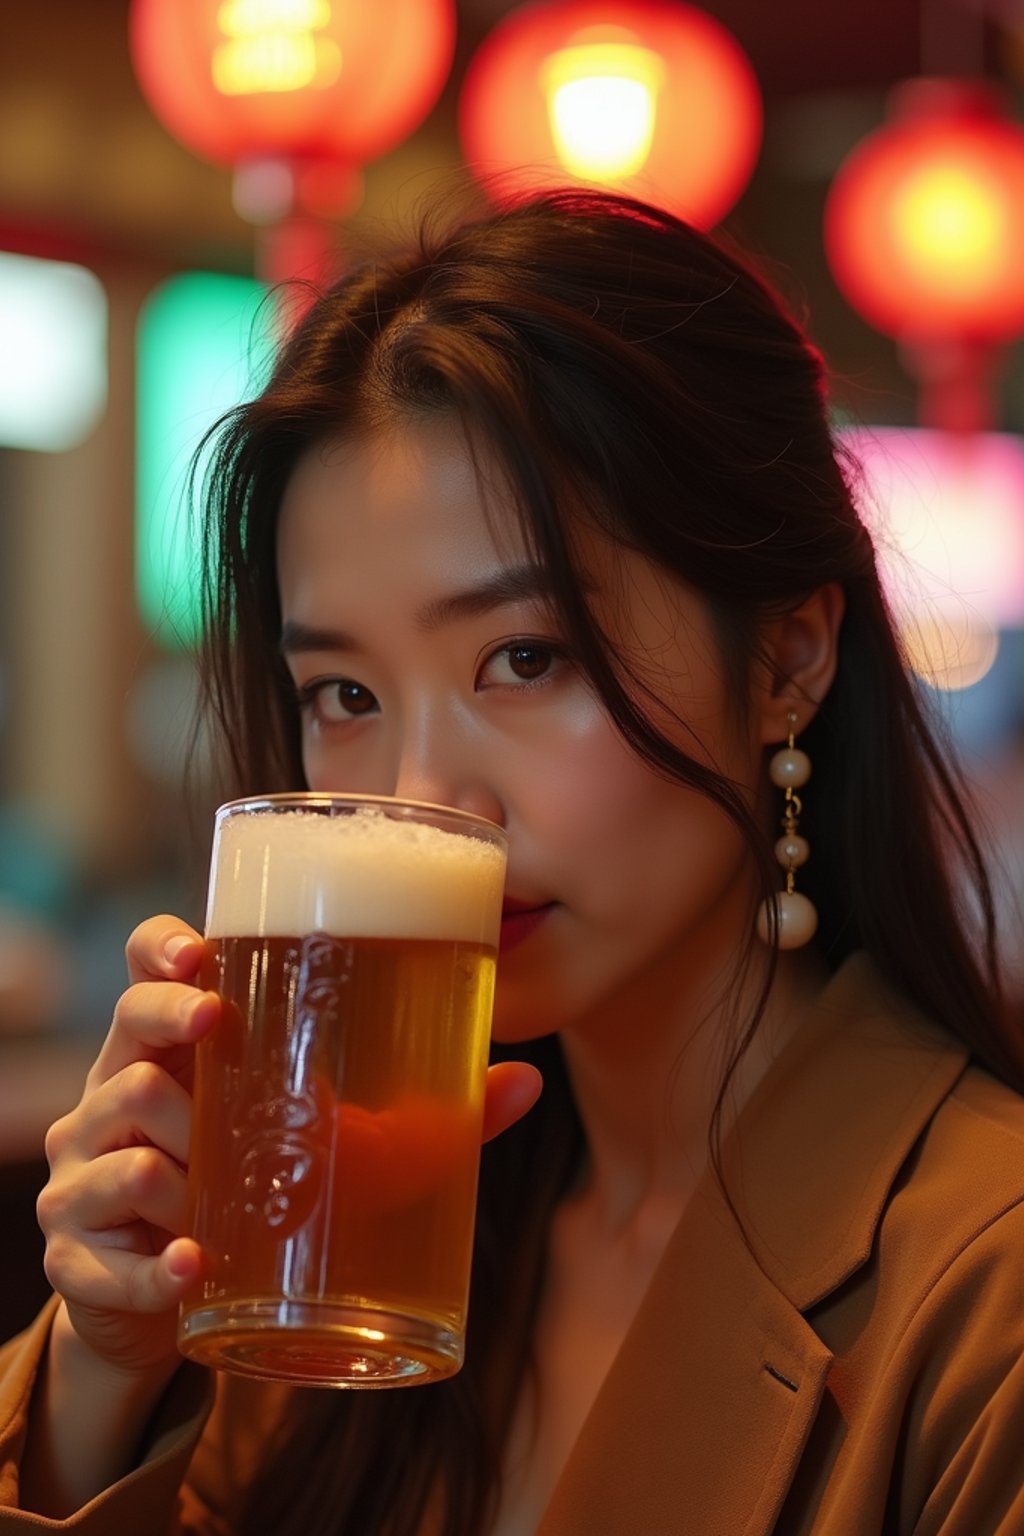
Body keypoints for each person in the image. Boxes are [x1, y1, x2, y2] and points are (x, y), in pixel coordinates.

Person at [1, 188, 1023, 1536]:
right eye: (344, 695)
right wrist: (103, 1373)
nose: (426, 803)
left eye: (524, 660)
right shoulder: (353, 1242)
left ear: (786, 660)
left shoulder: (981, 1289)